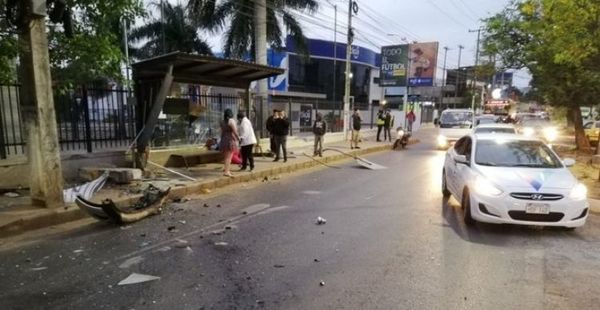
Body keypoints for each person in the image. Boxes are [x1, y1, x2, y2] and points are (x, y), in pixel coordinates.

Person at [219, 109, 239, 177]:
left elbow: (221, 132)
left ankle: (227, 170)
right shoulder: (231, 121)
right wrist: (238, 138)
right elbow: (235, 131)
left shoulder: (222, 122)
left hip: (224, 139)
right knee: (229, 157)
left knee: (226, 157)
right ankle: (226, 171)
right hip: (230, 140)